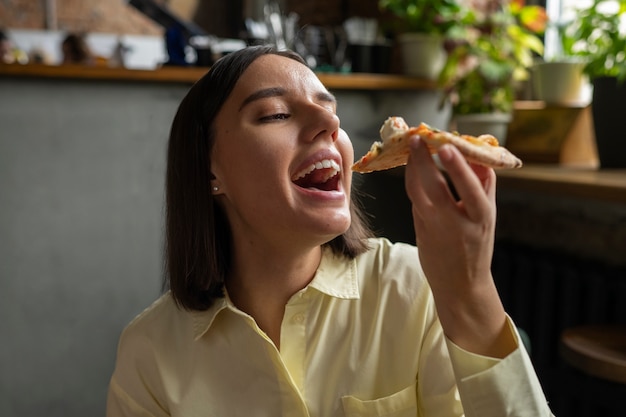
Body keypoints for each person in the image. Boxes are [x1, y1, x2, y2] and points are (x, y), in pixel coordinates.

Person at [106, 45, 553, 416]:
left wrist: (468, 290)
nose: (330, 124)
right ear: (209, 169)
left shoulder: (416, 285)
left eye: (328, 108)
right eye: (276, 114)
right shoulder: (149, 353)